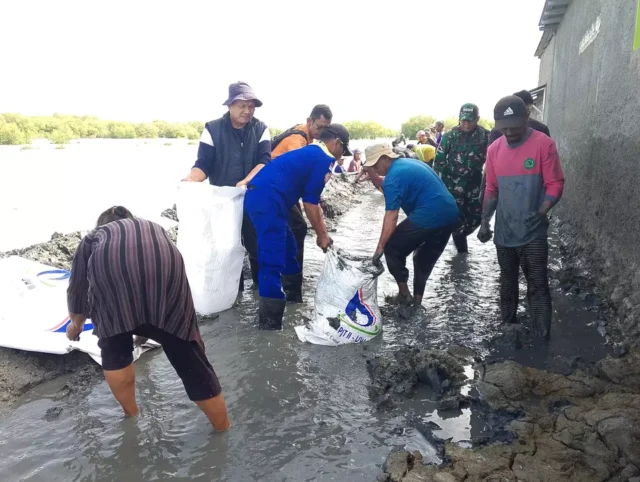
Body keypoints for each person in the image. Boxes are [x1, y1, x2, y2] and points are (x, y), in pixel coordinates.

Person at [66, 206, 230, 431]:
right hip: (166, 272)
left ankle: (132, 415)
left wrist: (76, 325)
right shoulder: (155, 228)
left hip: (113, 282)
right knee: (188, 354)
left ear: (101, 225)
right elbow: (148, 276)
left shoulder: (93, 238)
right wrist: (194, 340)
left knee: (114, 346)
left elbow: (78, 287)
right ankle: (223, 428)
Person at [242, 124, 352, 329]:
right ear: (336, 143)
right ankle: (270, 326)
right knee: (271, 260)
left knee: (289, 248)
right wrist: (322, 235)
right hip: (266, 201)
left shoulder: (312, 151)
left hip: (271, 200)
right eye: (342, 151)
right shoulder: (324, 159)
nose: (341, 157)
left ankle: (294, 302)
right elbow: (311, 203)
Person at [478, 96, 564, 339]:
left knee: (537, 281)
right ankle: (508, 326)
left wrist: (542, 211)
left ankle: (542, 335)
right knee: (507, 280)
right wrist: (485, 221)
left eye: (514, 126)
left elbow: (555, 183)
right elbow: (492, 189)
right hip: (505, 230)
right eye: (503, 128)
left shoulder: (543, 144)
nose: (509, 132)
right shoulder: (494, 149)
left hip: (533, 228)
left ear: (526, 119)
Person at [181, 81, 270, 291]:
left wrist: (246, 181)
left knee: (257, 247)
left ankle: (261, 291)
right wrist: (191, 179)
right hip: (223, 204)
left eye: (251, 106)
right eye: (242, 105)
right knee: (226, 249)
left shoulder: (260, 129)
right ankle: (232, 293)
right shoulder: (212, 129)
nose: (247, 111)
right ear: (229, 105)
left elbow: (264, 162)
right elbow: (203, 165)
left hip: (252, 198)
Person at [365, 144, 459, 305]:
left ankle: (403, 294)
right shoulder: (409, 163)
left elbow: (391, 215)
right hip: (451, 213)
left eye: (375, 165)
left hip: (431, 213)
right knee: (423, 257)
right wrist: (377, 180)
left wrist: (380, 247)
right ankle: (417, 301)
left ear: (386, 158)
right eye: (370, 166)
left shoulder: (393, 177)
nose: (373, 168)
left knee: (392, 248)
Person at [270, 104, 333, 301]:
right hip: (273, 188)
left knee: (289, 229)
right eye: (319, 127)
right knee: (297, 228)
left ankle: (283, 278)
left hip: (279, 188)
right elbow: (299, 171)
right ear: (309, 121)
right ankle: (292, 288)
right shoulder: (297, 139)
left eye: (326, 128)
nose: (322, 132)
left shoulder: (307, 138)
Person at [434, 103, 489, 254]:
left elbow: (494, 160)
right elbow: (438, 162)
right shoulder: (450, 136)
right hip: (452, 185)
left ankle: (458, 236)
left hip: (475, 184)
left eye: (469, 120)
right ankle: (461, 255)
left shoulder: (485, 136)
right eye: (463, 120)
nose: (465, 123)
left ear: (477, 119)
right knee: (455, 219)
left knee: (477, 217)